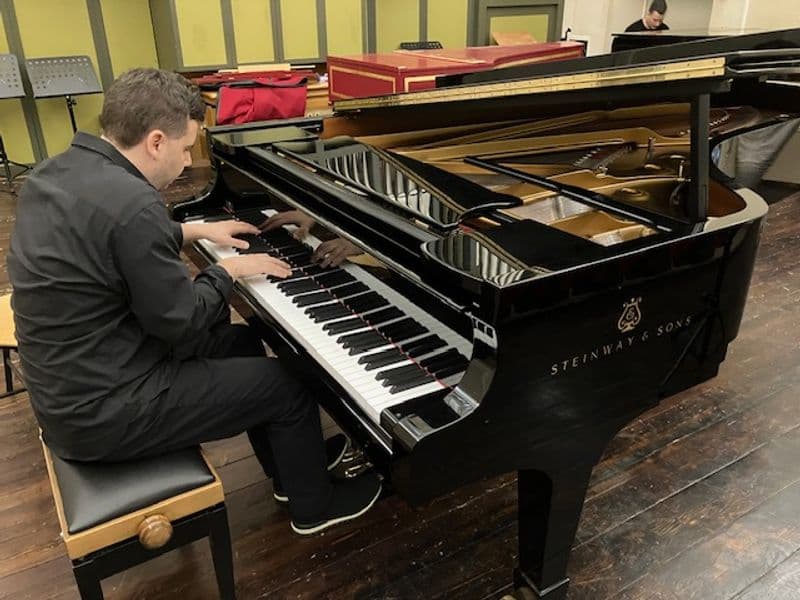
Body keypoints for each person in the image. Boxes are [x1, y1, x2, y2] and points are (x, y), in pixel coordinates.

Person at [7, 67, 381, 535]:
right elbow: (181, 323)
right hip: (105, 411)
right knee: (289, 383)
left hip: (72, 385)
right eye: (186, 148)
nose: (187, 163)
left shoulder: (59, 170)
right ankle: (315, 507)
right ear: (156, 141)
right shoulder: (133, 203)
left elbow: (108, 238)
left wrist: (193, 229)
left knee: (241, 342)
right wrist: (225, 271)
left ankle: (292, 474)